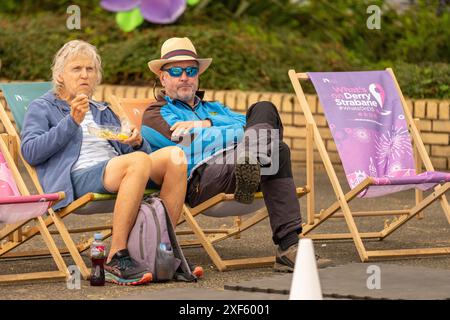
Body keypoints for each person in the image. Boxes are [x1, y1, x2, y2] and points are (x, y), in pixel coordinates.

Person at [141, 37, 331, 272]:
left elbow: (250, 123)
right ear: (163, 77)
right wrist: (233, 133)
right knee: (271, 146)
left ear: (198, 75)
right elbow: (187, 143)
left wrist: (207, 123)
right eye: (176, 71)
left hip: (241, 161)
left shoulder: (214, 108)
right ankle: (251, 159)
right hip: (204, 178)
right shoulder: (154, 114)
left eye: (191, 70)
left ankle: (289, 247)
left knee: (265, 110)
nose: (184, 77)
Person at [21, 40, 189, 285]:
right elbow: (31, 152)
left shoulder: (102, 109)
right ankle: (116, 256)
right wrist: (71, 121)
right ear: (60, 75)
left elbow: (133, 152)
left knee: (176, 156)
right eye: (76, 69)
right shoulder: (43, 107)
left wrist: (136, 142)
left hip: (115, 169)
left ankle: (161, 251)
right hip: (75, 178)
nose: (84, 75)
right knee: (137, 162)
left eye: (90, 69)